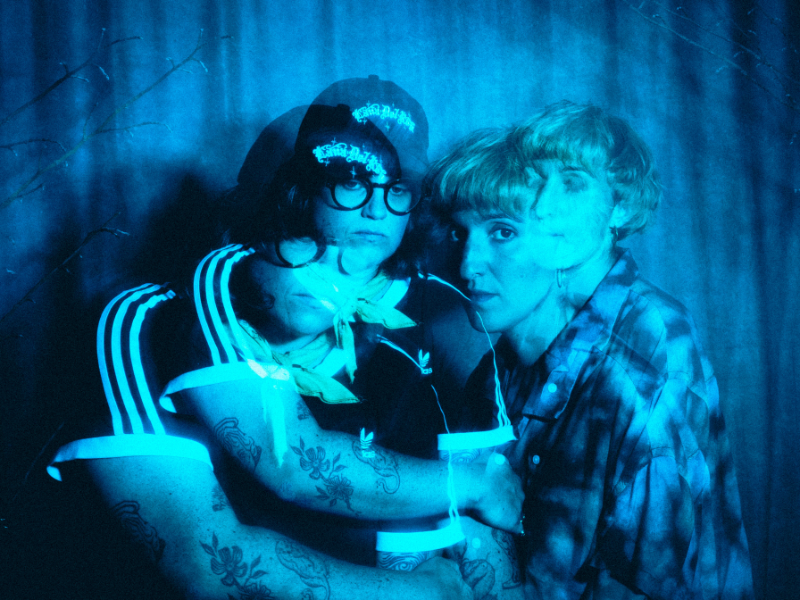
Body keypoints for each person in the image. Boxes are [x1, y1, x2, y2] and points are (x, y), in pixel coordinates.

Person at [47, 78, 522, 600]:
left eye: (398, 189)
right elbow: (213, 559)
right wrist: (422, 589)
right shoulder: (145, 323)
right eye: (351, 183)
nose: (375, 211)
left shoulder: (434, 317)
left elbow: (482, 529)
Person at [427, 101, 754, 600]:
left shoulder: (643, 359)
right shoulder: (507, 357)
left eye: (573, 183)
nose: (548, 205)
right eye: (540, 183)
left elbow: (651, 578)